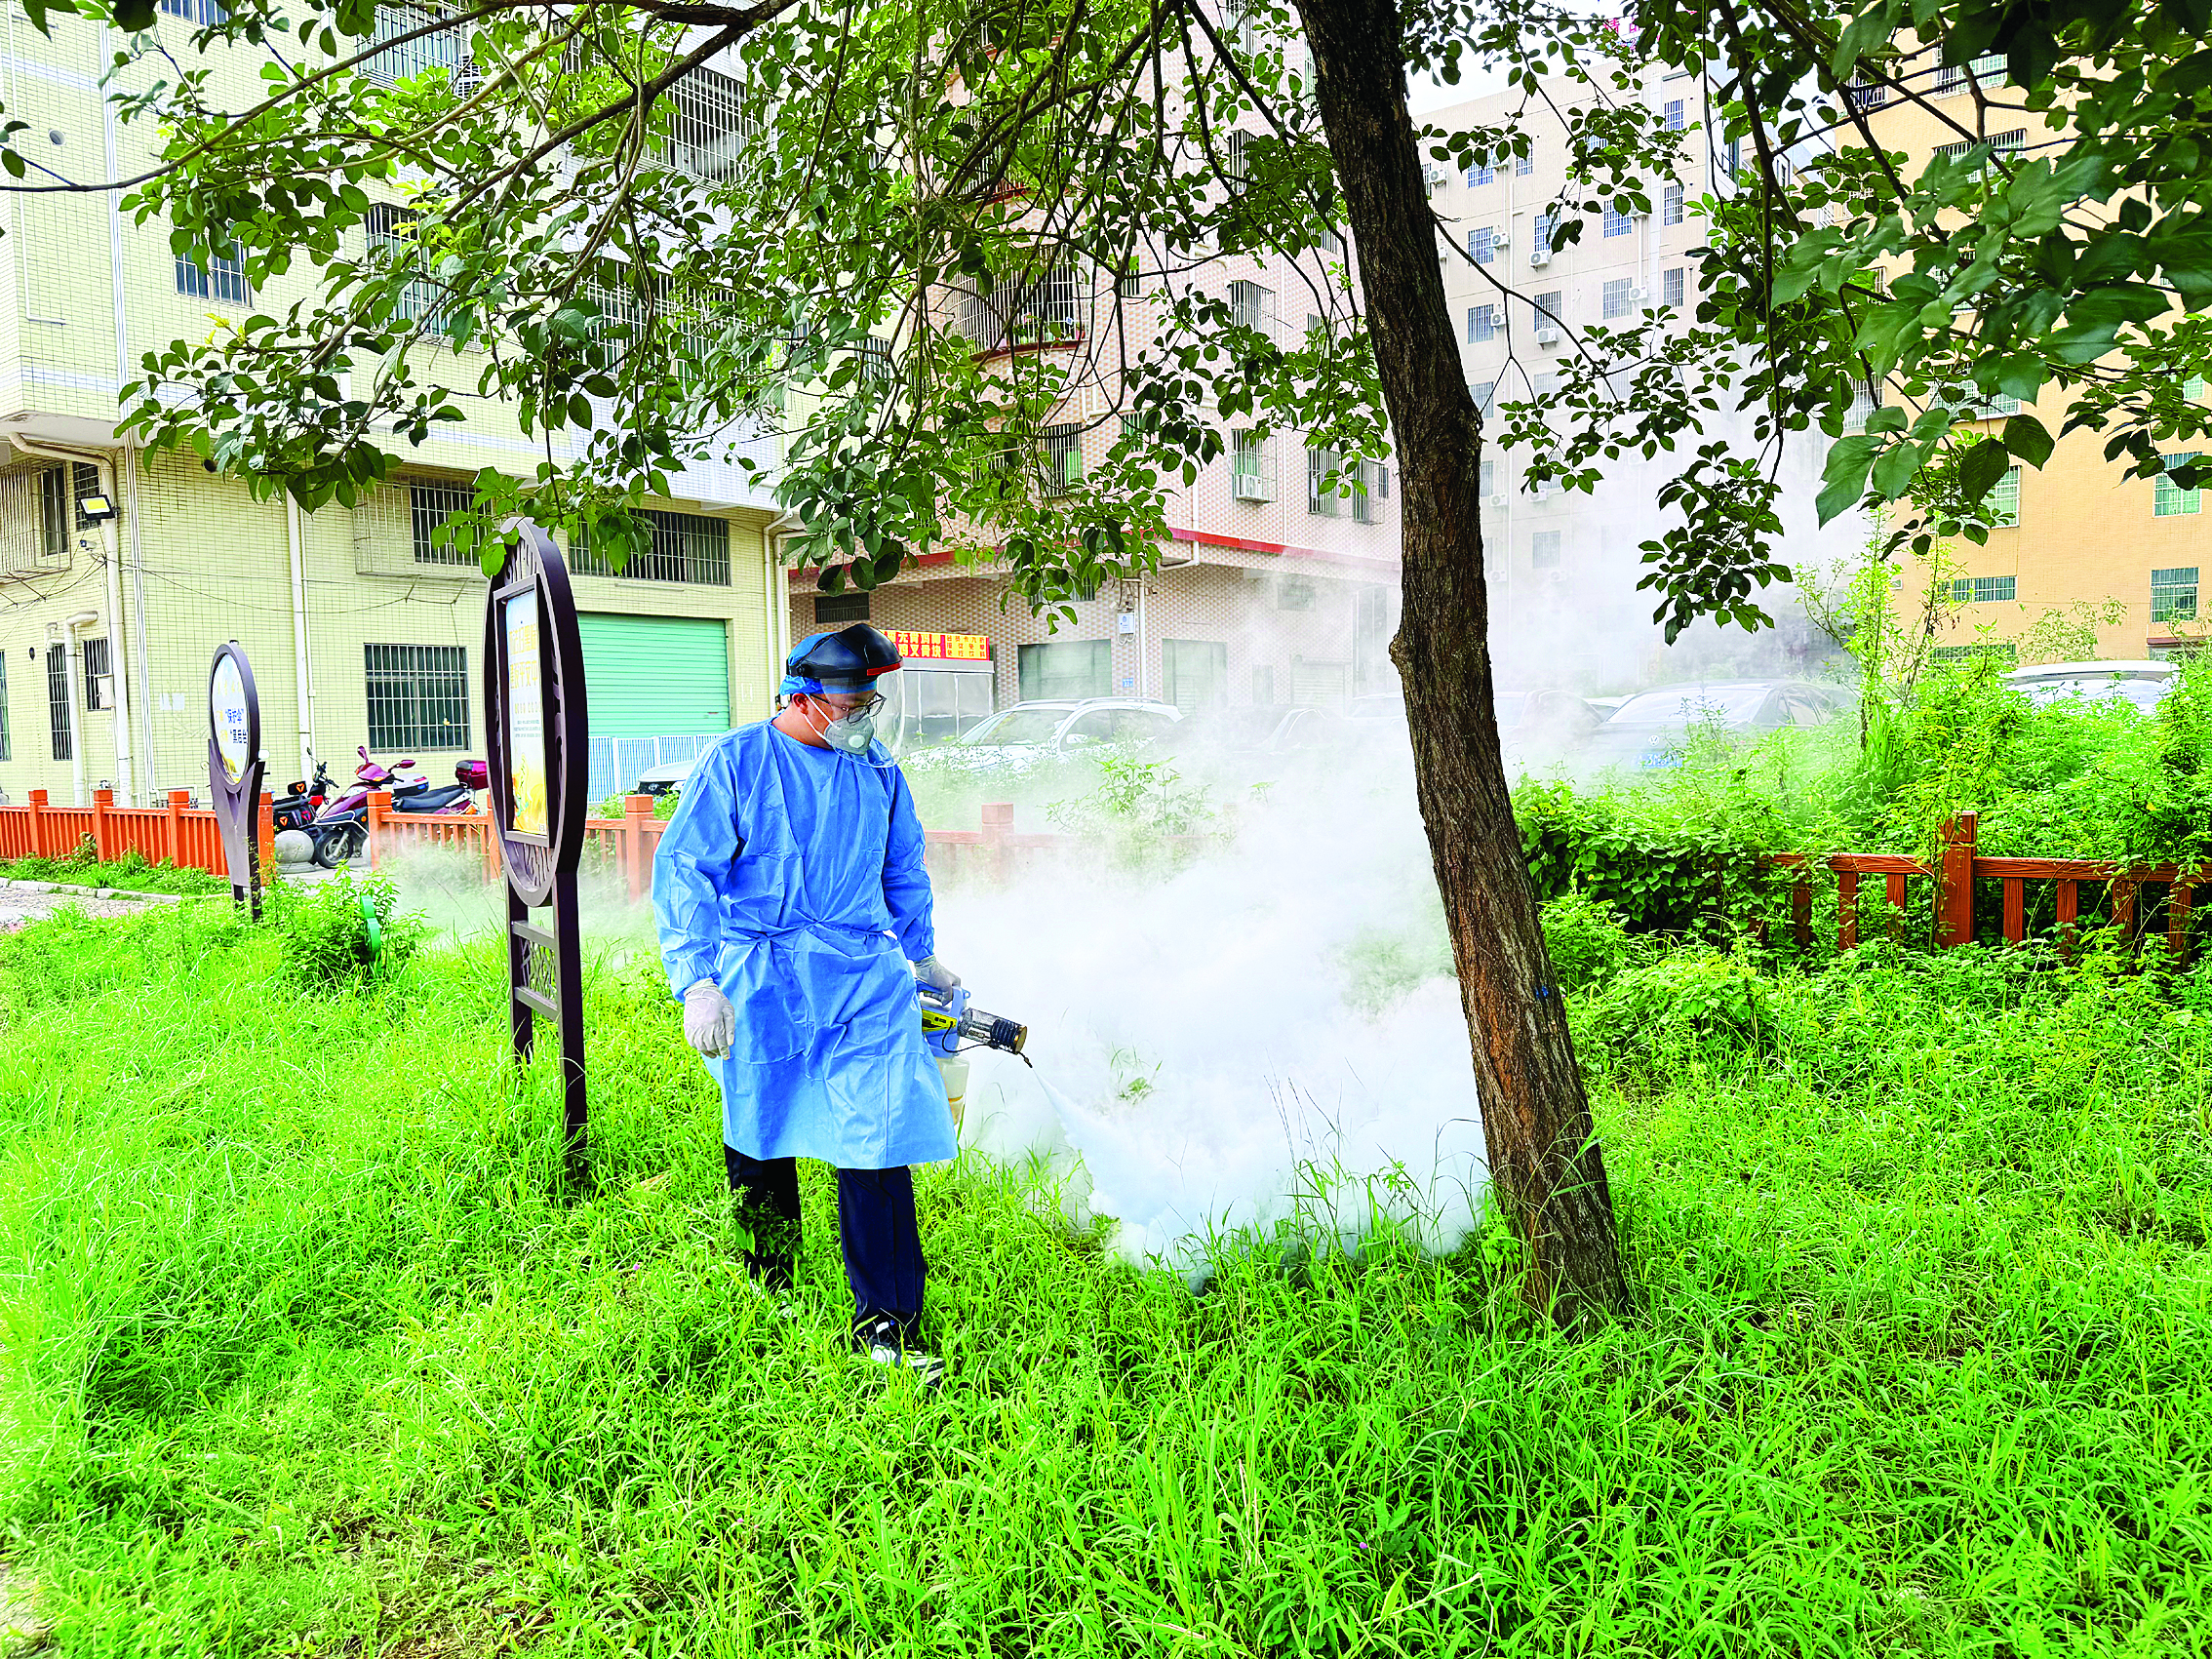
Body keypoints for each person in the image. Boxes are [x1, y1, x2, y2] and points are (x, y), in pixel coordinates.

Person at [652, 623, 962, 1383]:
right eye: (851, 703)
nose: (863, 717)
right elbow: (686, 869)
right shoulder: (739, 762)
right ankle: (772, 1288)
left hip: (861, 977)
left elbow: (902, 864)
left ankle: (888, 1325)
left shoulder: (877, 771)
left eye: (870, 702)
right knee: (761, 1131)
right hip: (763, 977)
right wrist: (698, 980)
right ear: (804, 697)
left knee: (878, 1138)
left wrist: (922, 951)